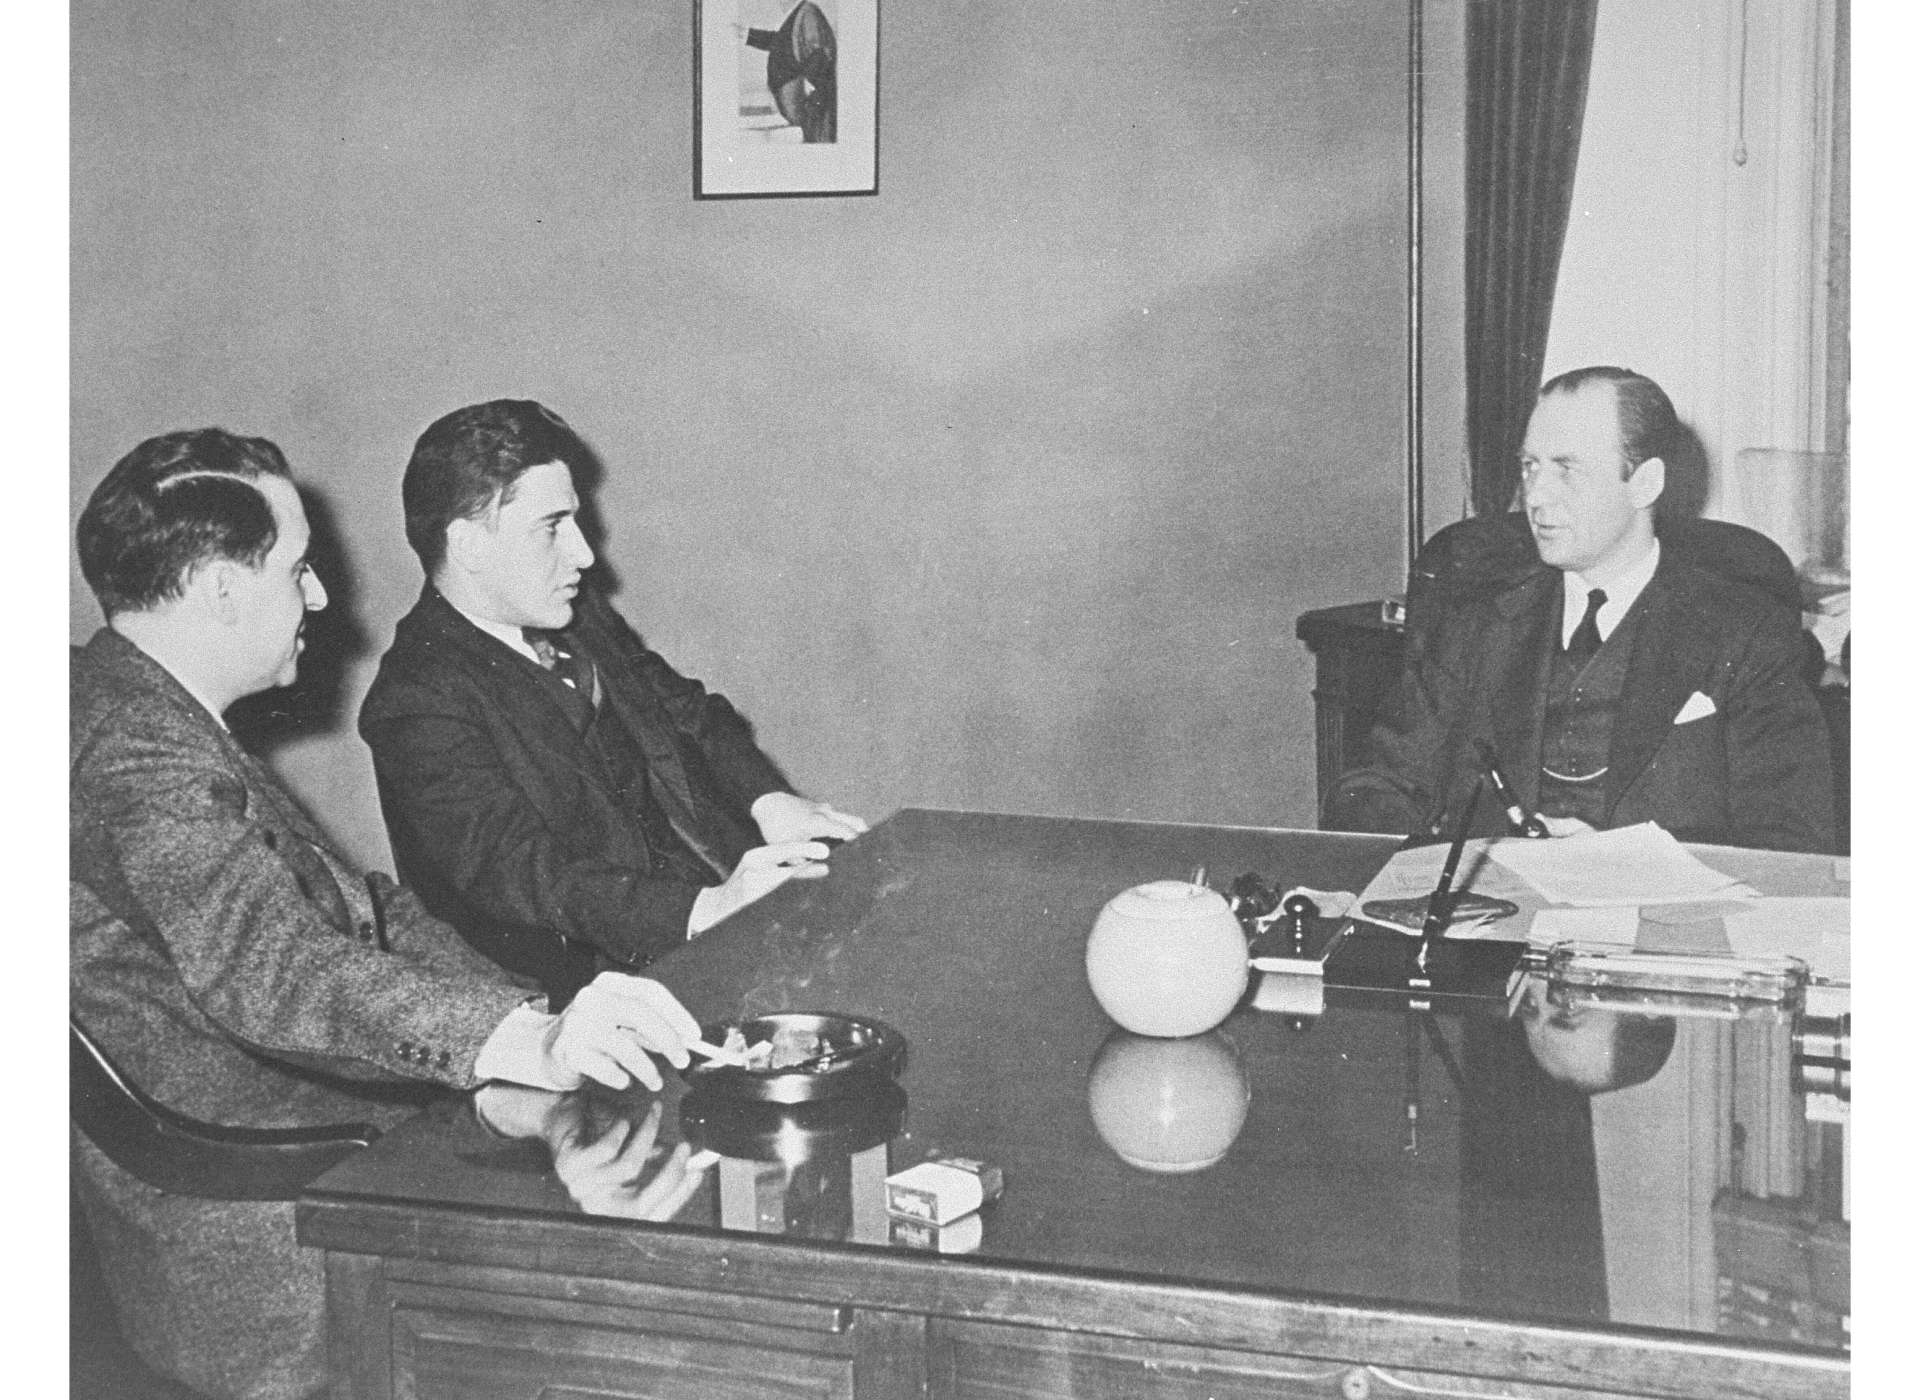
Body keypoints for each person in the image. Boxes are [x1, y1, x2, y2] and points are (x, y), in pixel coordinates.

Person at [71, 427, 705, 1400]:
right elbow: (274, 971)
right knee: (654, 1316)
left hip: (330, 1141)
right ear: (221, 590)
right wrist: (523, 1045)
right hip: (275, 1233)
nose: (320, 597)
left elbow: (367, 911)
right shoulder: (138, 756)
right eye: (296, 568)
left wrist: (527, 1023)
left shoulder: (141, 710)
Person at [358, 399, 865, 1006]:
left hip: (702, 937)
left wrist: (770, 800)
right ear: (467, 545)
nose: (584, 555)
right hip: (575, 1003)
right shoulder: (414, 700)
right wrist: (707, 907)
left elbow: (688, 713)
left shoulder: (575, 615)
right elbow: (526, 873)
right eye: (551, 527)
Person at [1331, 366, 1836, 853]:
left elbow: (1789, 841)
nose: (1537, 496)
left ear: (1645, 483)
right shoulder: (1475, 618)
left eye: (1567, 469)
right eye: (1530, 467)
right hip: (1489, 921)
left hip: (1658, 926)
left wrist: (1631, 869)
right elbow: (1380, 786)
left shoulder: (1742, 629)